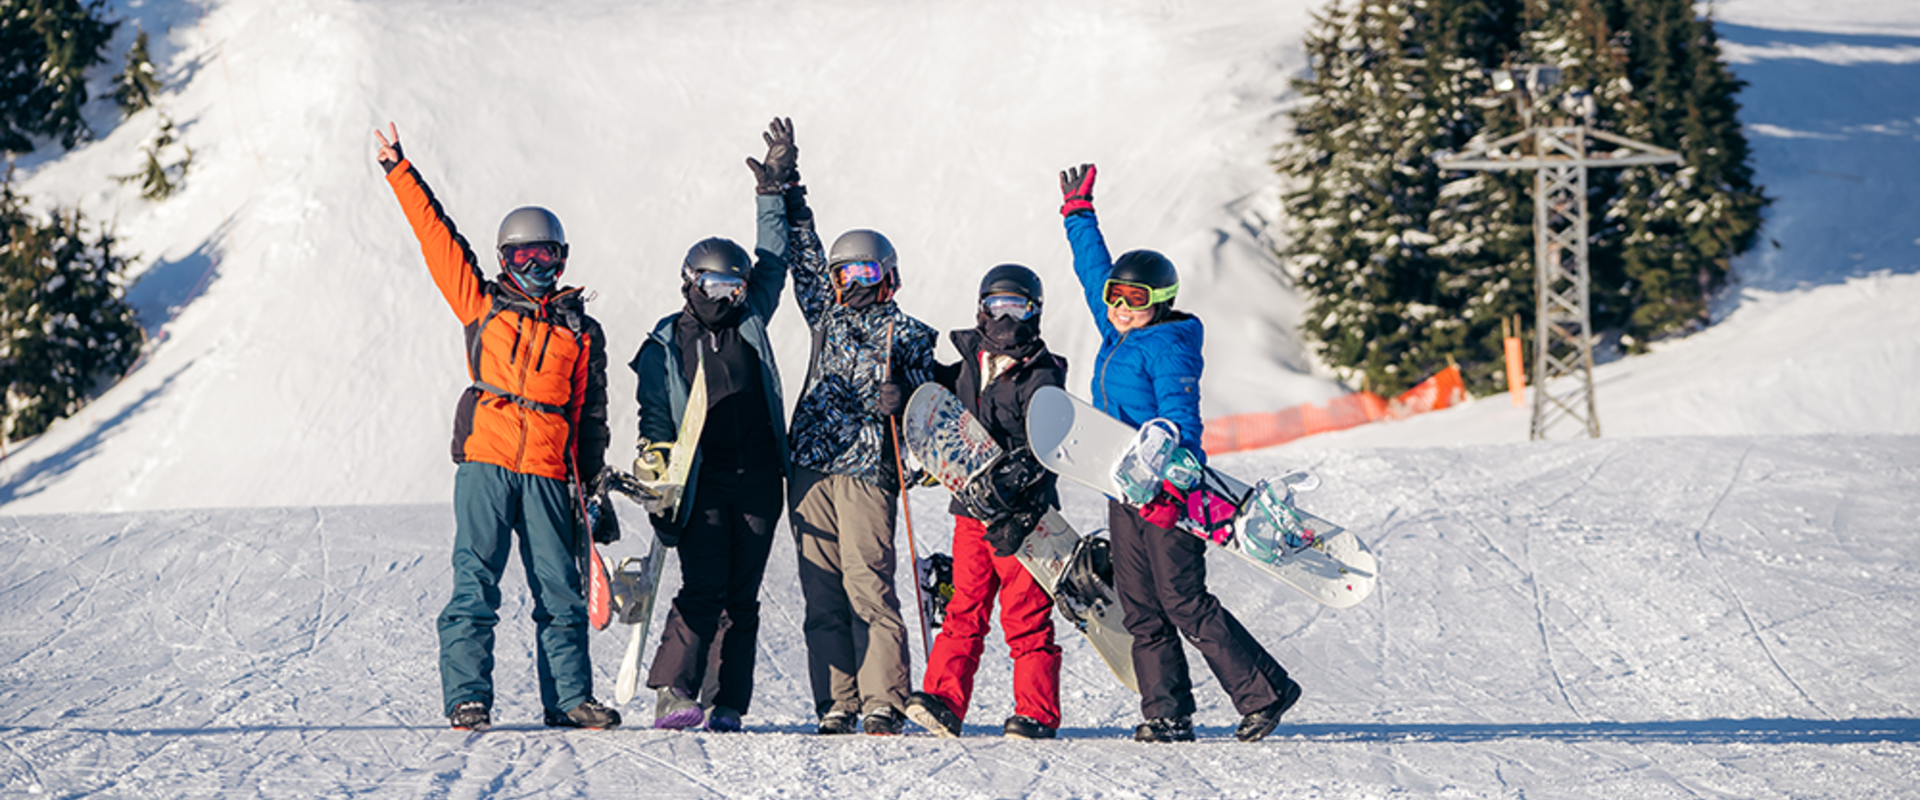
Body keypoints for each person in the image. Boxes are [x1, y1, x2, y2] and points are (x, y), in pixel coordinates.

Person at [375, 122, 619, 731]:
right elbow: (438, 240)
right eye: (521, 256)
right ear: (504, 259)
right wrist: (400, 171)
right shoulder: (481, 305)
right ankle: (468, 696)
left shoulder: (580, 332)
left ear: (562, 258)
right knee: (476, 582)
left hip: (547, 471)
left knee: (559, 591)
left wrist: (591, 488)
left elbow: (589, 415)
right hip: (486, 462)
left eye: (545, 255)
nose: (534, 265)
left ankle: (569, 699)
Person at [1056, 163, 1301, 743]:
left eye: (1134, 298)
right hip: (1124, 488)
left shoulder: (1167, 347)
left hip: (1171, 495)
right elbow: (1093, 273)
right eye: (1116, 297)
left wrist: (1173, 488)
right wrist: (1078, 215)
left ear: (1161, 301)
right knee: (1139, 607)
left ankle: (1266, 691)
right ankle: (1165, 712)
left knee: (1183, 601)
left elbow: (1183, 423)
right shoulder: (1119, 334)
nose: (1120, 306)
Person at [630, 119, 796, 733]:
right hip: (702, 483)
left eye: (735, 285)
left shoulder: (750, 322)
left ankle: (727, 700)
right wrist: (658, 474)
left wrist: (771, 193)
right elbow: (654, 416)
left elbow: (773, 263)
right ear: (691, 282)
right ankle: (674, 690)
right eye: (715, 285)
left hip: (758, 479)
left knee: (742, 596)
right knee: (703, 586)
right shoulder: (665, 342)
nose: (727, 296)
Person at [781, 125, 938, 737]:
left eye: (865, 270)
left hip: (869, 470)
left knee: (868, 585)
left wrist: (906, 398)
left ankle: (883, 699)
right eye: (844, 272)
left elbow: (932, 410)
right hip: (811, 466)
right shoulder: (826, 315)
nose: (853, 281)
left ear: (888, 273)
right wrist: (792, 194)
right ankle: (837, 700)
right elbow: (803, 260)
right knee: (821, 592)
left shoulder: (911, 333)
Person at [903, 264, 1067, 741]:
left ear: (1034, 313)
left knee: (1026, 617)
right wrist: (900, 399)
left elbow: (1048, 451)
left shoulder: (1043, 376)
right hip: (972, 512)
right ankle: (944, 700)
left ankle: (1036, 712)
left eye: (1017, 306)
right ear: (981, 309)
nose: (1006, 317)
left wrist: (1025, 511)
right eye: (998, 305)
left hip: (1024, 521)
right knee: (963, 608)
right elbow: (936, 403)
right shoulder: (968, 364)